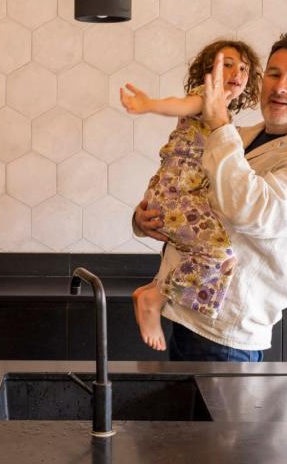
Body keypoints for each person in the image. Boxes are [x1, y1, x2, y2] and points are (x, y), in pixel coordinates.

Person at [134, 33, 287, 362]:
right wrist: (144, 219)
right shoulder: (237, 137)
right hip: (185, 316)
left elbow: (250, 211)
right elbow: (188, 194)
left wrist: (218, 125)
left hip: (227, 337)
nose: (280, 86)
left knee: (219, 416)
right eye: (273, 74)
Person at [120, 40, 262, 351]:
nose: (237, 72)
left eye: (244, 68)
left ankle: (155, 291)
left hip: (180, 194)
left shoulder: (225, 119)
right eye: (227, 63)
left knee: (210, 251)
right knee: (219, 254)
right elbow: (180, 104)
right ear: (207, 70)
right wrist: (149, 105)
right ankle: (153, 298)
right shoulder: (204, 99)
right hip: (175, 194)